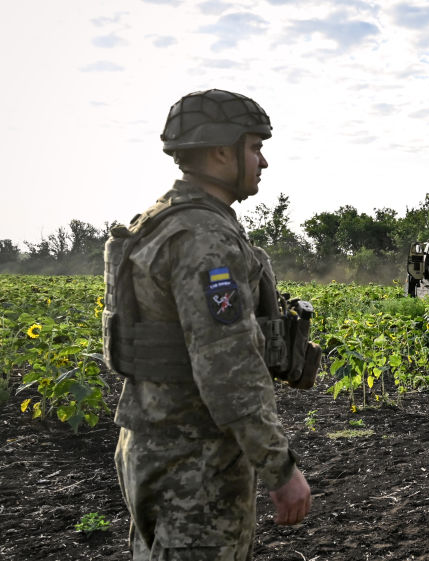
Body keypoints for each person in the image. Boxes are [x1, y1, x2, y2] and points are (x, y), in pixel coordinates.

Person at [103, 89, 312, 560]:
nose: (263, 162)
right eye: (255, 147)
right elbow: (228, 366)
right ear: (221, 150)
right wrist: (279, 469)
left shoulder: (157, 222)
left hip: (149, 443)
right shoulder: (205, 237)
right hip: (196, 458)